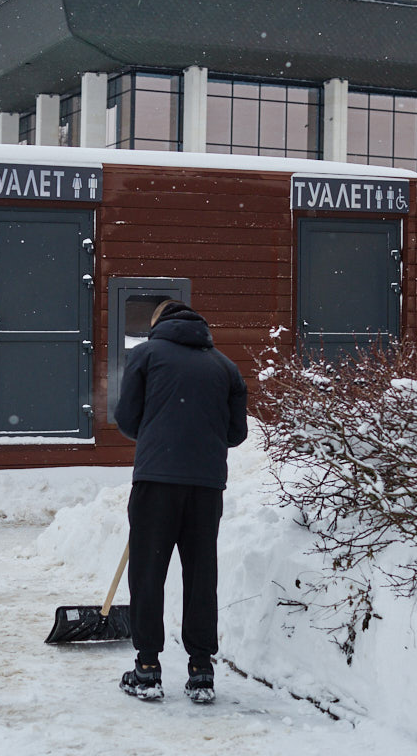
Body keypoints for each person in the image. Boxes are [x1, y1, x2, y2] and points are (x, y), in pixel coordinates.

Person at [113, 300, 248, 703]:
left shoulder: (146, 355)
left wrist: (159, 434)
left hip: (156, 479)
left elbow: (126, 418)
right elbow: (236, 433)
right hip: (206, 486)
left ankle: (147, 669)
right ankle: (201, 669)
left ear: (159, 325)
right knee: (201, 573)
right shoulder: (225, 366)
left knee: (149, 571)